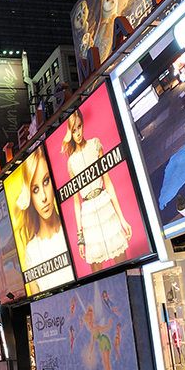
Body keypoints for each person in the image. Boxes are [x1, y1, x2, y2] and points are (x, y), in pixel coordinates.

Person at [62, 109, 132, 272]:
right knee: (97, 271)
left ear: (83, 125)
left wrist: (122, 219)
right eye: (73, 130)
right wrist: (80, 237)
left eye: (79, 127)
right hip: (88, 214)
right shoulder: (71, 161)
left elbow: (107, 181)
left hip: (104, 203)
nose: (77, 133)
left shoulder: (95, 144)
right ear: (70, 133)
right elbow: (76, 203)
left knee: (124, 263)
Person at [15, 147, 73, 293]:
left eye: (46, 181)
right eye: (35, 189)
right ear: (30, 196)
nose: (43, 197)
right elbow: (38, 306)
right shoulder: (31, 251)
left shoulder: (74, 227)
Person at [82, 304, 114, 370]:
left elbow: (104, 328)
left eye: (90, 322)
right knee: (105, 363)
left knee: (106, 363)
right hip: (101, 344)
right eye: (88, 323)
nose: (89, 324)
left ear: (92, 320)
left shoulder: (96, 328)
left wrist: (110, 324)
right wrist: (90, 354)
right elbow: (92, 344)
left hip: (104, 341)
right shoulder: (92, 331)